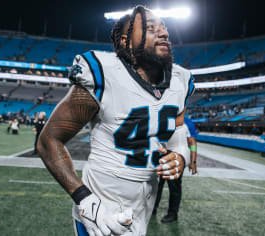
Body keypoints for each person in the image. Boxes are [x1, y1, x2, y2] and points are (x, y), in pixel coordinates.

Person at [37, 6, 194, 236]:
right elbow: (48, 140)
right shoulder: (104, 73)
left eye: (163, 27)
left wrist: (180, 154)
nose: (163, 33)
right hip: (103, 204)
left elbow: (178, 130)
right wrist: (85, 200)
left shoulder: (181, 80)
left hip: (143, 205)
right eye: (151, 28)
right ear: (127, 41)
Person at [152, 117, 198, 223]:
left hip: (178, 155)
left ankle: (173, 214)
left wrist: (193, 162)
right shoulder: (164, 116)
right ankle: (153, 208)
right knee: (157, 184)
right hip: (162, 154)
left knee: (174, 187)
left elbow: (192, 143)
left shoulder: (187, 122)